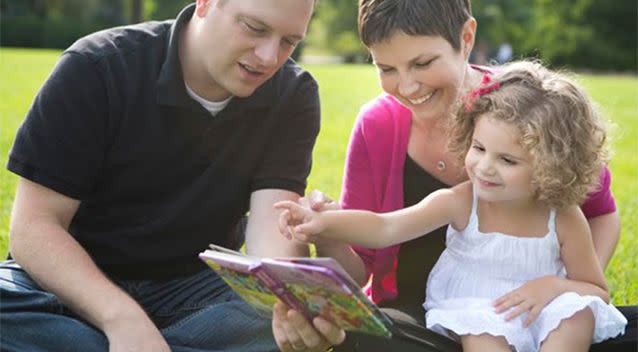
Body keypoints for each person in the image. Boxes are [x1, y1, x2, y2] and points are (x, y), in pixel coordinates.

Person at [271, 1, 636, 351]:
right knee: (372, 335)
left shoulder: (524, 113)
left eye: (423, 62)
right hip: (432, 316)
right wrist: (326, 224)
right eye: (387, 69)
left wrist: (563, 291)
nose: (408, 86)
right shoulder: (381, 128)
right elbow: (380, 232)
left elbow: (600, 214)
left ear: (465, 38)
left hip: (543, 308)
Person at [0, 1, 345, 351]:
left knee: (276, 319)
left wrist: (288, 308)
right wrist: (120, 317)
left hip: (194, 289)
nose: (270, 57)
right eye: (255, 28)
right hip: (71, 283)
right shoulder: (97, 66)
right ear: (207, 4)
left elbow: (271, 238)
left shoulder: (292, 93)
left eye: (289, 41)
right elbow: (33, 227)